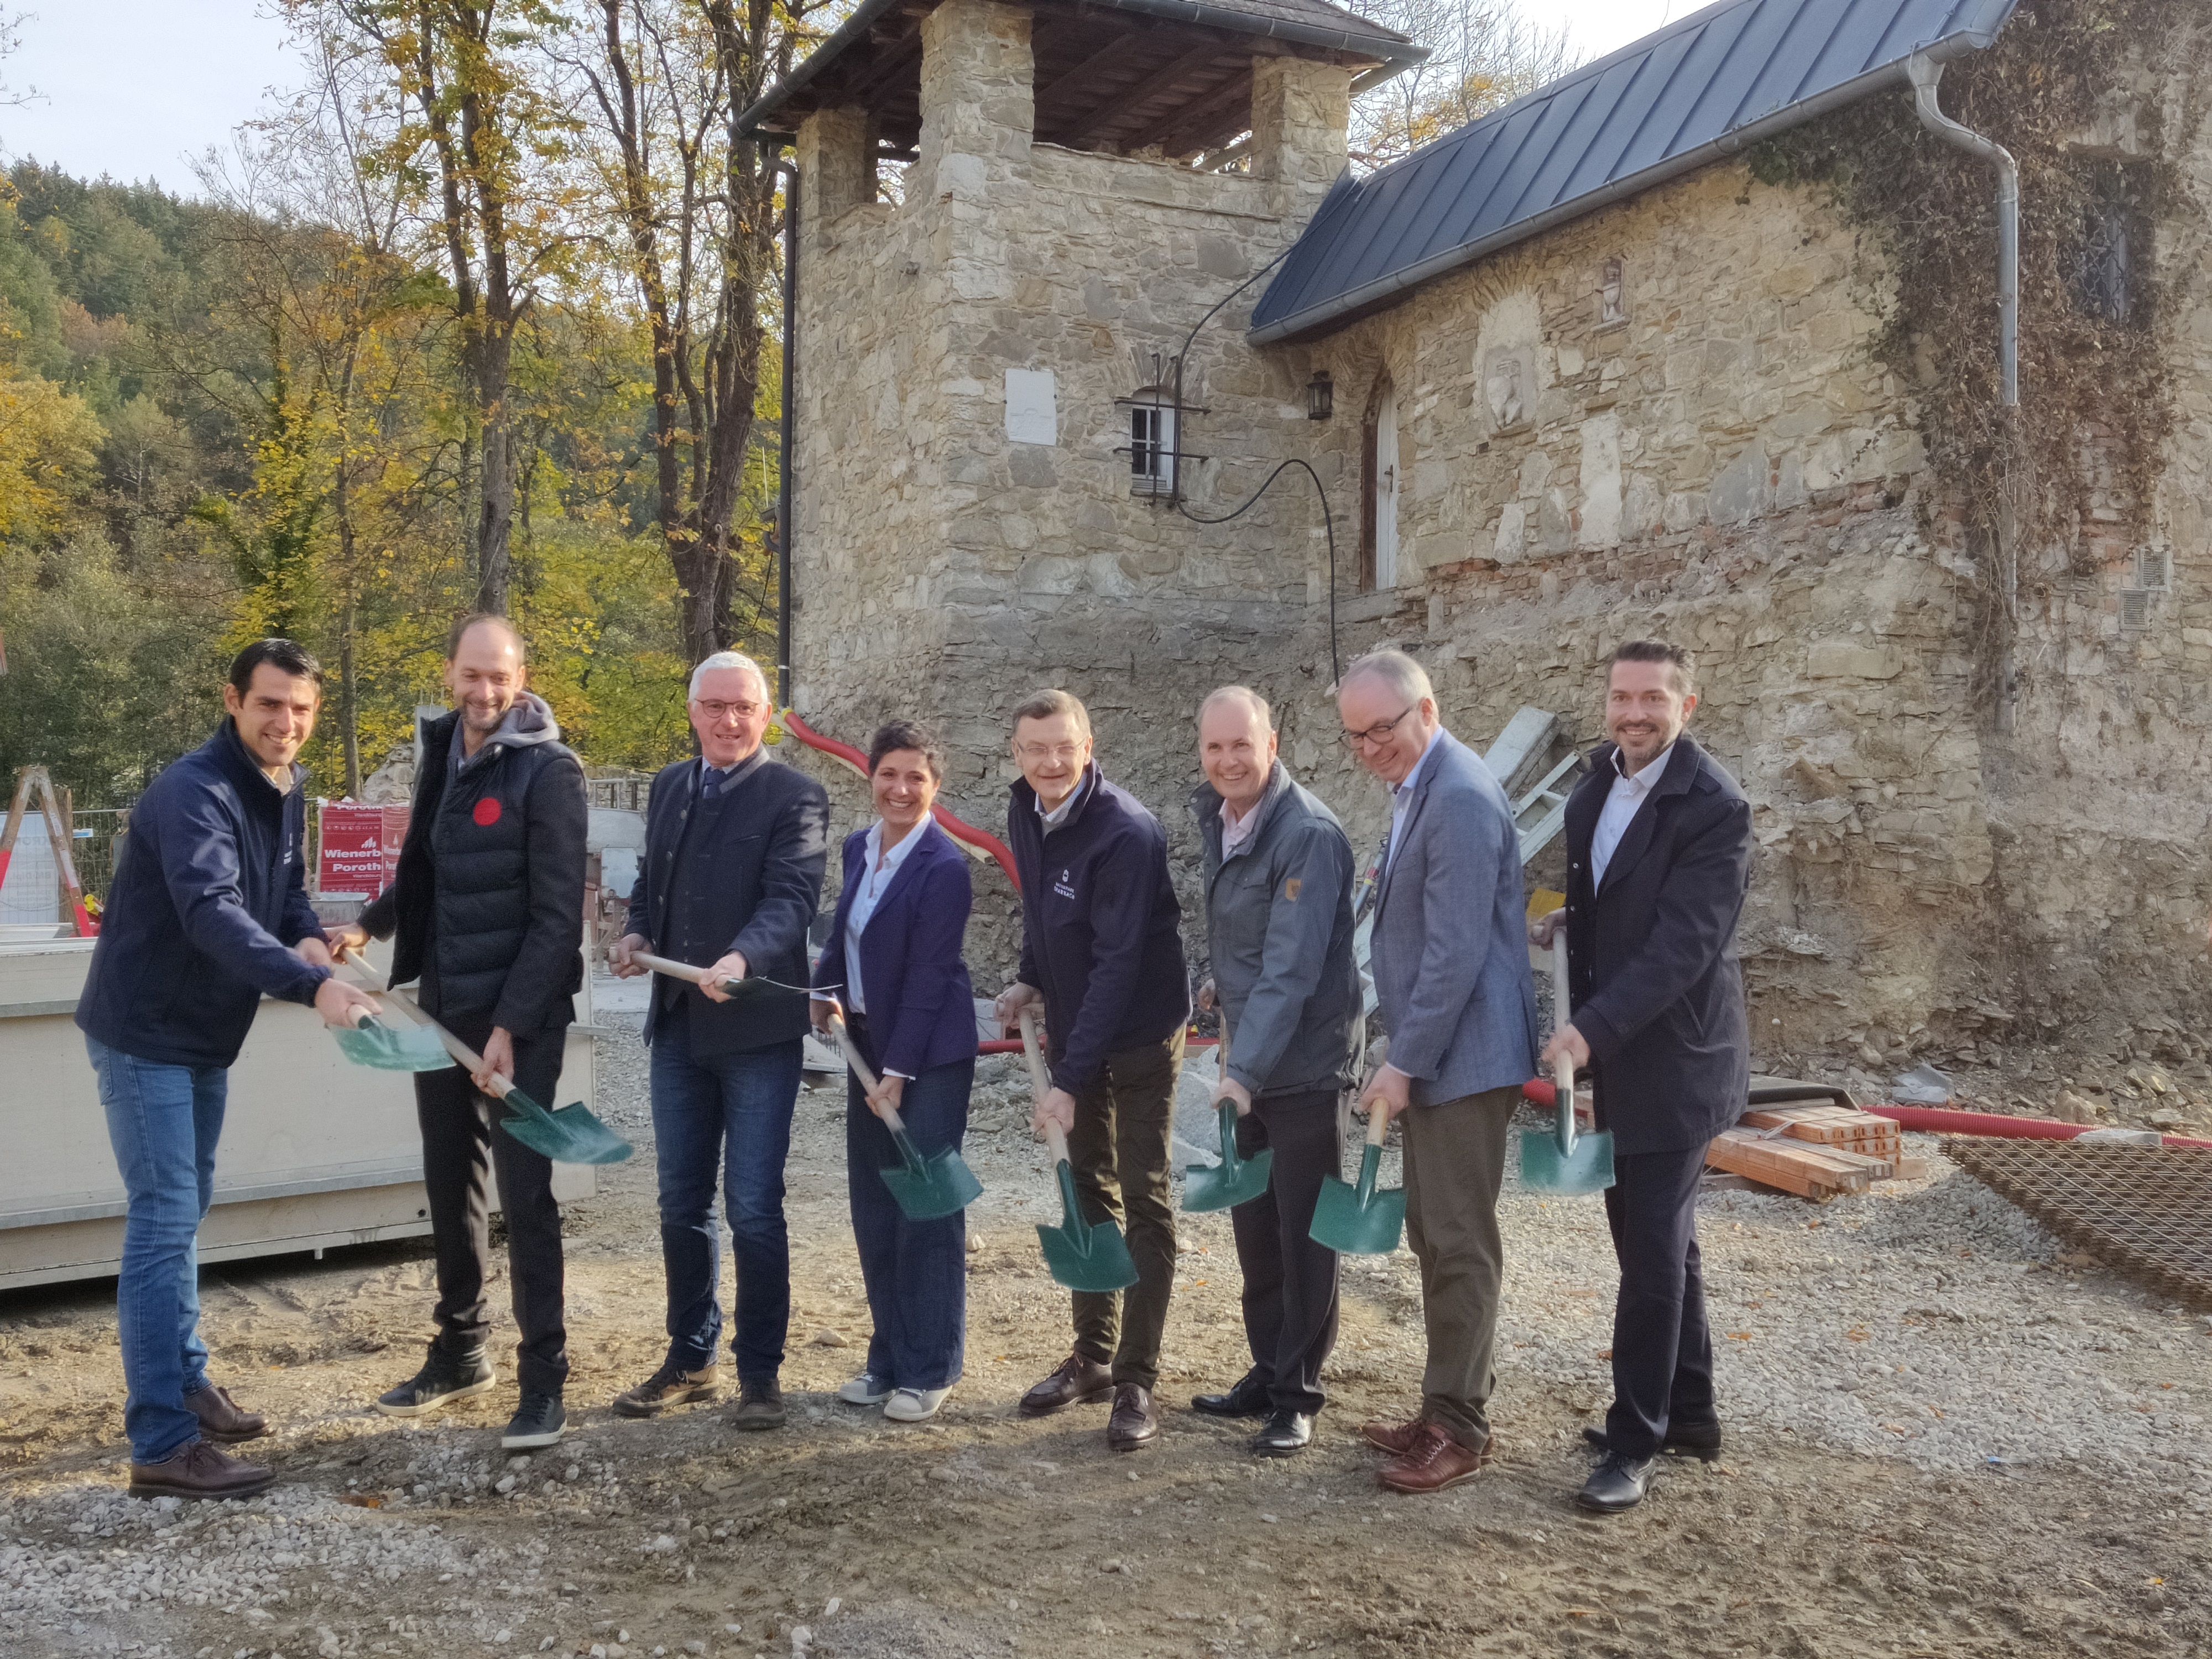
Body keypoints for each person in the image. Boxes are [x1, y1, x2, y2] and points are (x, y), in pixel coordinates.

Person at [77, 639, 382, 1499]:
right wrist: (307, 986)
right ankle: (164, 1444)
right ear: (234, 701)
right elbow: (213, 911)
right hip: (145, 1033)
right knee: (164, 1220)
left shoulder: (281, 791)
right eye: (270, 705)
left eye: (301, 710)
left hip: (203, 1033)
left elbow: (277, 897)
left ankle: (185, 1380)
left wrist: (315, 938)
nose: (286, 723)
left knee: (185, 1210)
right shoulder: (194, 793)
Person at [335, 614, 588, 1452]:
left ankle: (543, 1377)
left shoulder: (551, 772)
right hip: (440, 1004)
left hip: (522, 1017)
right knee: (452, 1182)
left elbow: (557, 920)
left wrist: (512, 1025)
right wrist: (369, 925)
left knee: (526, 1194)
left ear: (521, 679)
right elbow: (426, 870)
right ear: (450, 673)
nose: (484, 693)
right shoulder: (442, 749)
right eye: (471, 676)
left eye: (499, 678)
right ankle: (461, 1350)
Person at [1536, 640, 1753, 1514]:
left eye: (1653, 699)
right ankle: (1690, 1413)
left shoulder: (1716, 808)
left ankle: (1636, 1438)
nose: (1635, 713)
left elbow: (1681, 949)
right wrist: (1561, 931)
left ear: (1686, 705)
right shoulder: (1593, 789)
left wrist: (1588, 1031)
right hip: (1621, 1053)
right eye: (1622, 697)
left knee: (1652, 1255)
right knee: (1655, 1240)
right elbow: (1599, 903)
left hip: (1680, 1059)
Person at [607, 651, 828, 1431]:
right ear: (693, 710)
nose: (729, 721)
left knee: (754, 1208)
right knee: (680, 1202)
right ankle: (690, 1356)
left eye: (743, 707)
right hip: (678, 1029)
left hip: (757, 1033)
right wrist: (636, 933)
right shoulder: (671, 786)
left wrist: (741, 958)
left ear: (765, 714)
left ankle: (760, 1372)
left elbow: (792, 899)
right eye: (714, 706)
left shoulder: (796, 796)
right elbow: (651, 886)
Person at [1339, 648, 1539, 1494]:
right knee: (1432, 1229)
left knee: (1457, 1240)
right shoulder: (1421, 785)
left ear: (1428, 708)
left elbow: (1457, 954)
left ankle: (1461, 1427)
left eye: (1383, 727)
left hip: (1462, 1055)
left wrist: (1402, 1063)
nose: (1371, 746)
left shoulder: (1455, 796)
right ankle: (1442, 1405)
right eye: (1355, 735)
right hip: (1441, 1054)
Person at [995, 688, 1190, 1453]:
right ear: (1017, 754)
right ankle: (1095, 1354)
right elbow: (1044, 912)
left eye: (1063, 748)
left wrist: (1069, 1081)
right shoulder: (1026, 809)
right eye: (1035, 749)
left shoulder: (1127, 834)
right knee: (1085, 1186)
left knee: (1142, 1193)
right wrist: (1028, 977)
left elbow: (1115, 965)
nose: (1051, 762)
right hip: (1079, 1023)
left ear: (1089, 744)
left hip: (1141, 1033)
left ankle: (1138, 1375)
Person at [1186, 686, 1362, 1457]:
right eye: (1215, 747)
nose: (1229, 761)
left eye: (1242, 746)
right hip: (1249, 1063)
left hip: (1303, 1068)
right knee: (1255, 1229)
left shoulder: (1309, 835)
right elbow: (1250, 938)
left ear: (1274, 742)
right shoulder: (1220, 817)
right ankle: (1267, 1367)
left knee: (1303, 1237)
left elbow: (1293, 969)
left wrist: (1243, 1070)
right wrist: (1216, 982)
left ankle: (1299, 1394)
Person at [808, 721, 980, 1424]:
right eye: (889, 775)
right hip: (866, 1043)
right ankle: (888, 1357)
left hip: (929, 1053)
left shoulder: (945, 867)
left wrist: (900, 1071)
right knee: (875, 1205)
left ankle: (932, 1366)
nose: (900, 789)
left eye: (916, 777)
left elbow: (931, 977)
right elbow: (843, 928)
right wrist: (823, 991)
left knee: (926, 1207)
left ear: (935, 786)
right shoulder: (859, 848)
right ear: (871, 777)